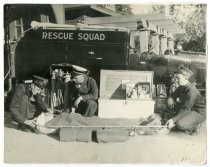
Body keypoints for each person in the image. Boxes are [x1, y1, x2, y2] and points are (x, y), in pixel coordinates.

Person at [166, 67, 206, 135]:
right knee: (171, 117)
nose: (175, 80)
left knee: (180, 124)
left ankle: (196, 126)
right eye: (175, 78)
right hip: (190, 109)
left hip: (199, 112)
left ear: (186, 78)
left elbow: (186, 109)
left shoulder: (191, 91)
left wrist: (173, 120)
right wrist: (170, 98)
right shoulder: (181, 87)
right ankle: (187, 121)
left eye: (178, 78)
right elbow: (172, 95)